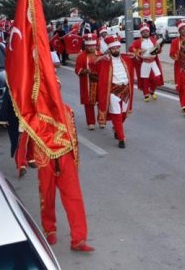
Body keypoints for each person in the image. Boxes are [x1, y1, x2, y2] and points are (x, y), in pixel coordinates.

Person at [15, 108, 94, 252]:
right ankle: (49, 229)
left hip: (66, 157)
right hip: (45, 159)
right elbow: (25, 136)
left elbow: (73, 135)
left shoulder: (67, 110)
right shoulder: (33, 113)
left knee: (74, 197)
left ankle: (79, 239)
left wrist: (75, 161)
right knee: (47, 196)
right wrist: (21, 162)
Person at [97, 35, 134, 148]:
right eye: (113, 48)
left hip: (126, 90)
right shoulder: (105, 60)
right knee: (116, 114)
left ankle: (116, 129)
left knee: (123, 114)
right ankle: (121, 139)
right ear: (109, 49)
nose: (116, 50)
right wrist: (100, 58)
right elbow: (93, 62)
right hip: (113, 91)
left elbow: (139, 58)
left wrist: (136, 56)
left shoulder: (126, 58)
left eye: (117, 47)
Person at [129, 25, 164, 102]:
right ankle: (146, 94)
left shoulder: (153, 40)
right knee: (145, 79)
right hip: (145, 62)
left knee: (157, 77)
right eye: (143, 32)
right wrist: (139, 51)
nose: (145, 33)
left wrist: (159, 47)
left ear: (149, 32)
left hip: (153, 61)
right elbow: (131, 48)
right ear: (141, 33)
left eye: (146, 31)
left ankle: (151, 91)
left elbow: (158, 51)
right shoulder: (138, 42)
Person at [74, 33, 99, 130]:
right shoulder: (81, 56)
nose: (91, 48)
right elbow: (77, 69)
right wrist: (85, 71)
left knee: (102, 101)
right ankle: (91, 122)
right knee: (89, 103)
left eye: (93, 45)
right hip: (88, 82)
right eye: (89, 46)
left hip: (99, 82)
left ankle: (102, 119)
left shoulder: (100, 54)